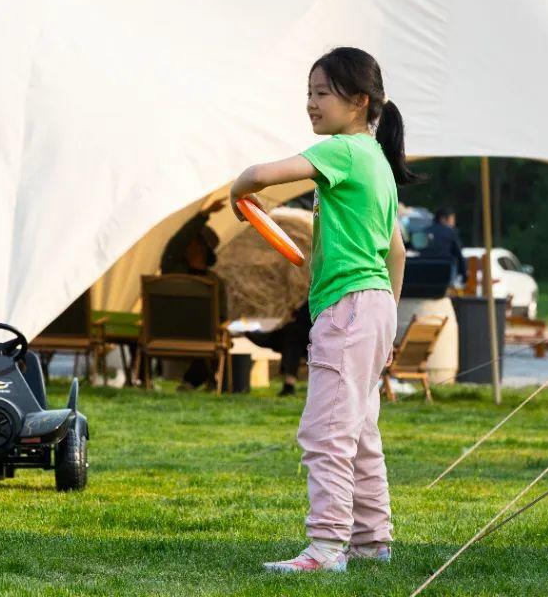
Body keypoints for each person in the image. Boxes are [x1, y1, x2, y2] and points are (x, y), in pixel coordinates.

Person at [229, 47, 414, 573]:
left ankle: (327, 548)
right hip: (374, 306)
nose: (311, 103)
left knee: (327, 430)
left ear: (359, 102)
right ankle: (372, 542)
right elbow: (397, 253)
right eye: (308, 93)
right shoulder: (376, 163)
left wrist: (238, 192)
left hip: (348, 307)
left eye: (322, 93)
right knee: (360, 431)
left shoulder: (344, 151)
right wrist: (386, 321)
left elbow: (262, 174)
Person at [159, 197, 229, 390]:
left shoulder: (216, 282)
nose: (186, 244)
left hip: (197, 336)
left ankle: (191, 382)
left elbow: (222, 316)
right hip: (175, 332)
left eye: (192, 241)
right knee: (215, 341)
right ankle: (198, 381)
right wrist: (203, 215)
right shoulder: (174, 270)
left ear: (201, 247)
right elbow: (176, 243)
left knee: (214, 338)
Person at [244, 300, 312, 397]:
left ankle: (289, 385)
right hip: (303, 332)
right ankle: (289, 384)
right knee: (290, 335)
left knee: (292, 337)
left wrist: (297, 313)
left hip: (312, 334)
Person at [419, 207, 466, 285]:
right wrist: (464, 275)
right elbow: (458, 254)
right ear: (443, 219)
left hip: (425, 270)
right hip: (446, 270)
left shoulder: (424, 232)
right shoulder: (451, 232)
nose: (453, 223)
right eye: (452, 219)